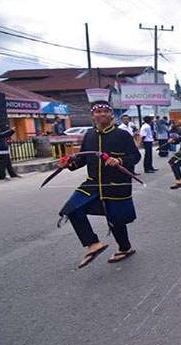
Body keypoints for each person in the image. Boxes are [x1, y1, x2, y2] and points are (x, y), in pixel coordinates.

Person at [57, 101, 142, 268]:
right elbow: (82, 159)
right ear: (92, 115)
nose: (102, 114)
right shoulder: (89, 135)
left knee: (116, 219)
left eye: (105, 111)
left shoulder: (122, 135)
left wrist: (119, 160)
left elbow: (135, 157)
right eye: (98, 112)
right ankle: (93, 244)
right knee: (71, 210)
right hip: (93, 184)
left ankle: (125, 248)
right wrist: (68, 164)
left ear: (111, 115)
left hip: (116, 184)